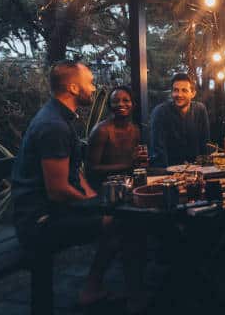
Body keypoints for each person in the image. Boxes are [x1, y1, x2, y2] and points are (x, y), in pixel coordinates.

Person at [11, 60, 145, 310]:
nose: (94, 88)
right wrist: (97, 207)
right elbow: (58, 190)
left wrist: (97, 200)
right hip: (39, 220)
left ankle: (98, 288)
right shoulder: (53, 126)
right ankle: (111, 293)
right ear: (73, 87)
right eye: (90, 82)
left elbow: (75, 173)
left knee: (119, 218)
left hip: (51, 209)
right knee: (121, 224)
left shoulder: (61, 119)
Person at [86, 86, 146, 189]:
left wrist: (140, 162)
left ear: (133, 104)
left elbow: (134, 161)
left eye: (126, 100)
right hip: (104, 189)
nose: (121, 104)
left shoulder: (135, 130)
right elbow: (91, 169)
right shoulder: (101, 130)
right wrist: (128, 165)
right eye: (115, 101)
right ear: (109, 105)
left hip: (129, 185)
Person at [150, 73, 210, 167]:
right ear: (171, 92)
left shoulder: (200, 109)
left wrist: (205, 170)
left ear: (193, 93)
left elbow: (205, 144)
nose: (179, 94)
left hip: (196, 170)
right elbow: (158, 152)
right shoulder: (160, 112)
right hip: (169, 172)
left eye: (184, 90)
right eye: (175, 90)